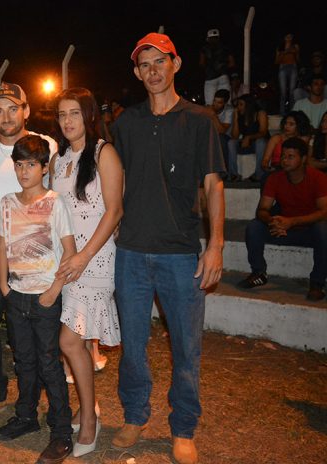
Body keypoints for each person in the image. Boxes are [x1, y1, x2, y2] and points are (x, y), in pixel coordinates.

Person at [111, 33, 225, 464]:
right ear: (137, 72)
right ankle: (135, 415)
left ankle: (183, 428)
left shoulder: (199, 120)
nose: (153, 70)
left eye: (160, 61)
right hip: (131, 251)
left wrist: (215, 245)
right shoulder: (126, 123)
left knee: (186, 347)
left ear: (176, 64)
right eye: (145, 64)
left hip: (180, 253)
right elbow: (115, 183)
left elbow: (213, 185)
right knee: (133, 344)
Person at [0, 82, 58, 421]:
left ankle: (35, 398)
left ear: (26, 110)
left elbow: (56, 195)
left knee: (33, 332)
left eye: (12, 108)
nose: (5, 116)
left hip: (36, 248)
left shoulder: (46, 145)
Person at [0, 134, 76, 464]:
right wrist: (4, 286)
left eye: (31, 164)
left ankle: (61, 432)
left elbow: (69, 251)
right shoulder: (7, 203)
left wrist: (54, 290)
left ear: (43, 168)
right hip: (16, 296)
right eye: (19, 164)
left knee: (49, 363)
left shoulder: (55, 203)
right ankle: (26, 416)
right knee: (23, 361)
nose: (24, 171)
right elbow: (3, 245)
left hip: (45, 299)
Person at [50, 87, 123, 457]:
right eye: (62, 114)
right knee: (72, 344)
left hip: (94, 259)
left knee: (69, 341)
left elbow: (114, 211)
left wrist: (83, 257)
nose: (68, 121)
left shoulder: (103, 153)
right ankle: (87, 407)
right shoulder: (58, 159)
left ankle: (90, 421)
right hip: (64, 260)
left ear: (89, 116)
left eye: (75, 113)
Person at [238, 137, 327, 301]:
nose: (285, 160)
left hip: (309, 231)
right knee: (254, 227)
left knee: (323, 229)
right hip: (282, 230)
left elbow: (324, 212)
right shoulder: (275, 178)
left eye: (290, 156)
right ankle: (259, 273)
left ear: (303, 159)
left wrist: (292, 222)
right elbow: (262, 210)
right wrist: (272, 221)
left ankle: (317, 283)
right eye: (283, 156)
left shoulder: (318, 178)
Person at [228, 94, 269, 183]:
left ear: (248, 105)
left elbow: (263, 132)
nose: (238, 107)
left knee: (260, 142)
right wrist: (235, 117)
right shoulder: (239, 115)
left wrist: (249, 137)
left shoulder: (260, 113)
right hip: (246, 144)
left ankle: (258, 175)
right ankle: (233, 175)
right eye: (238, 104)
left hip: (259, 145)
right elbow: (235, 136)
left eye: (241, 104)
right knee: (231, 142)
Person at [205, 89, 234, 180]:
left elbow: (222, 130)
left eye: (219, 102)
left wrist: (213, 115)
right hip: (211, 136)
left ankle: (223, 171)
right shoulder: (208, 109)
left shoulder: (229, 111)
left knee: (220, 139)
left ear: (225, 103)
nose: (215, 104)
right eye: (214, 101)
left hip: (227, 137)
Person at [199, 28, 234, 106]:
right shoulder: (225, 47)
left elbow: (201, 63)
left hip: (210, 78)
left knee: (209, 103)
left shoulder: (204, 49)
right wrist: (223, 68)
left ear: (208, 38)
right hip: (223, 76)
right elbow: (232, 63)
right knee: (226, 103)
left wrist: (208, 70)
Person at [275, 33, 301, 115]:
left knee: (292, 91)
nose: (289, 38)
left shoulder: (295, 46)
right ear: (284, 37)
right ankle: (282, 112)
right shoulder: (280, 47)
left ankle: (292, 112)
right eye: (287, 36)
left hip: (293, 67)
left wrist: (296, 52)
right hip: (282, 67)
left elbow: (298, 60)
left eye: (290, 36)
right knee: (283, 92)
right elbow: (276, 61)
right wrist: (285, 52)